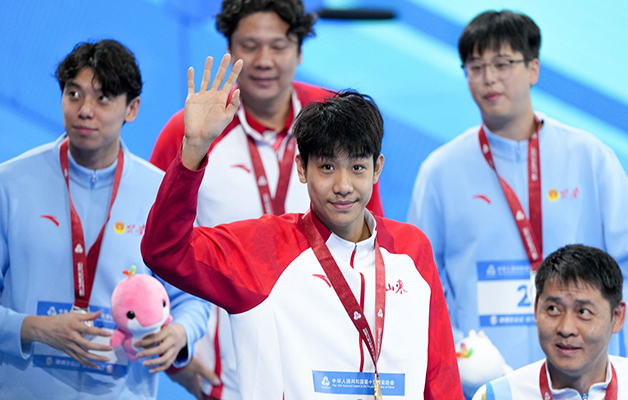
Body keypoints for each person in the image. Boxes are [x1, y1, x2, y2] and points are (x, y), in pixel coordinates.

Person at [141, 55, 463, 399]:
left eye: (357, 167)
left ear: (377, 168)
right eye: (327, 167)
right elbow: (165, 251)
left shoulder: (411, 249)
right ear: (302, 168)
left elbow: (440, 377)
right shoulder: (261, 250)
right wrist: (194, 149)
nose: (343, 185)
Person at [408, 9, 628, 395]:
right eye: (475, 67)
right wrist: (458, 356)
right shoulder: (439, 171)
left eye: (502, 63)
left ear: (533, 68)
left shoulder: (589, 157)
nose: (489, 78)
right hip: (485, 386)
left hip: (586, 383)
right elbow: (420, 284)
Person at [150, 1, 384, 398]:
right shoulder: (191, 132)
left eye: (278, 46)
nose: (263, 60)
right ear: (229, 48)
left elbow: (372, 244)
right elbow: (154, 243)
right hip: (225, 375)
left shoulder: (333, 122)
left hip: (329, 367)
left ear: (299, 51)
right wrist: (179, 356)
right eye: (249, 45)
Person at [0, 40, 209, 399]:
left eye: (103, 98)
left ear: (132, 109)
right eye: (74, 94)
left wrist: (180, 333)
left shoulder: (162, 192)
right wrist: (33, 328)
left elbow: (193, 297)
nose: (85, 110)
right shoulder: (10, 184)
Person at [473, 244, 628, 399]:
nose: (566, 328)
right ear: (536, 309)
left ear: (617, 316)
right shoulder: (497, 395)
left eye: (583, 312)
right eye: (553, 309)